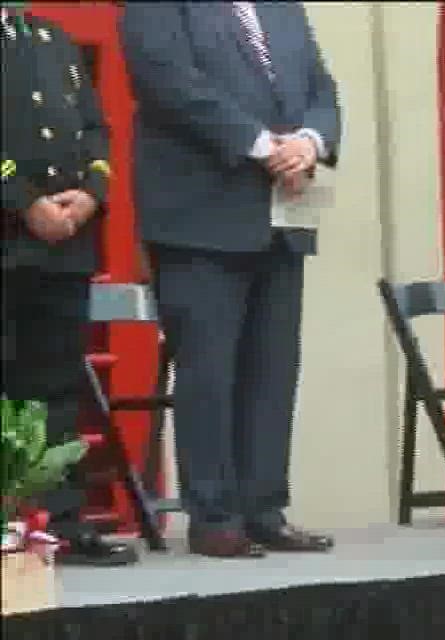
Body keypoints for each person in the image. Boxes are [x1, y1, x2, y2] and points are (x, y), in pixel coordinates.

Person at [120, 2, 340, 558]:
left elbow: (321, 86)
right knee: (209, 370)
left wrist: (311, 141)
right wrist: (263, 145)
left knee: (273, 368)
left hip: (283, 213)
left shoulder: (282, 8)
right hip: (199, 213)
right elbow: (169, 84)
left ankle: (263, 507)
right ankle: (214, 514)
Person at [1, 2, 136, 566]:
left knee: (56, 387)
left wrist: (90, 195)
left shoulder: (49, 37)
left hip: (63, 246)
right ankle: (10, 526)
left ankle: (57, 524)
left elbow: (93, 128)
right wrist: (24, 201)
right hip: (10, 238)